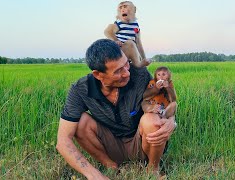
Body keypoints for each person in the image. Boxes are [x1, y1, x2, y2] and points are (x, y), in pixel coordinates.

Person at [56, 39, 176, 179]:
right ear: (98, 75)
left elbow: (165, 99)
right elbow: (63, 141)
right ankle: (111, 166)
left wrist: (172, 121)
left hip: (141, 142)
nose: (127, 73)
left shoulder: (139, 75)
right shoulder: (81, 89)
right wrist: (94, 175)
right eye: (118, 71)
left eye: (126, 64)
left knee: (152, 120)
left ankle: (152, 168)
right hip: (110, 145)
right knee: (80, 122)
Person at [104, 1, 151, 68]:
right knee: (130, 43)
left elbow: (138, 44)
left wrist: (144, 59)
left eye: (125, 6)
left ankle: (138, 62)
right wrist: (115, 40)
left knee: (132, 44)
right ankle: (138, 64)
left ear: (134, 9)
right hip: (118, 52)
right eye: (120, 7)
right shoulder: (119, 23)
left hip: (126, 54)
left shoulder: (135, 26)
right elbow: (107, 31)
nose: (122, 9)